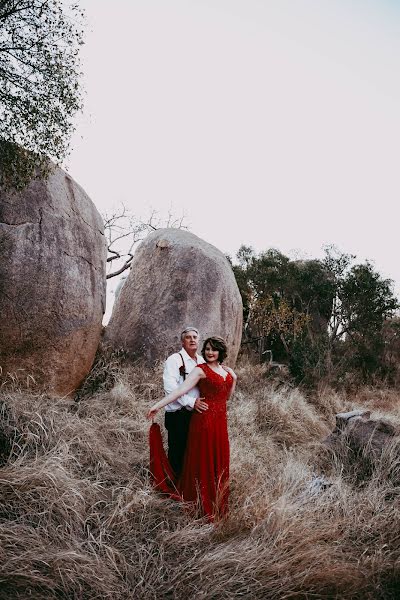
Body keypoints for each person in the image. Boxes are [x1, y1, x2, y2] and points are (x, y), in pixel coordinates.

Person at [148, 336, 237, 520]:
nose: (210, 352)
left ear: (221, 351)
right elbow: (179, 391)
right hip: (203, 422)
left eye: (214, 349)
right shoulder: (200, 370)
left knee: (218, 458)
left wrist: (234, 379)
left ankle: (217, 499)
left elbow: (227, 397)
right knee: (203, 461)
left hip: (220, 423)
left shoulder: (225, 371)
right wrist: (158, 405)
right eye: (207, 349)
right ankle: (199, 499)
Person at [163, 327, 208, 477]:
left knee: (193, 451)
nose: (192, 339)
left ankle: (187, 484)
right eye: (188, 337)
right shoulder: (174, 360)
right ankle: (173, 486)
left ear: (199, 340)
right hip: (178, 415)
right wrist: (191, 402)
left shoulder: (202, 361)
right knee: (177, 452)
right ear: (183, 342)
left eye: (195, 337)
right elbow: (170, 388)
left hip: (196, 414)